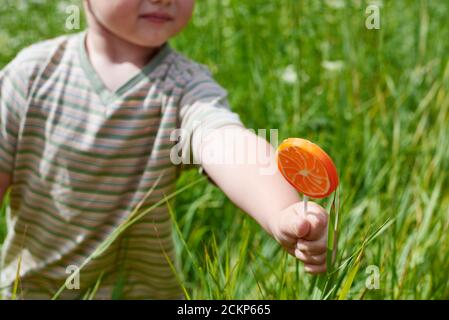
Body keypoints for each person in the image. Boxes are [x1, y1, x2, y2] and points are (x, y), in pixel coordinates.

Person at [0, 0, 329, 299]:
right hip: (29, 290)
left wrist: (282, 212)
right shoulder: (31, 74)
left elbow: (226, 142)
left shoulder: (186, 87)